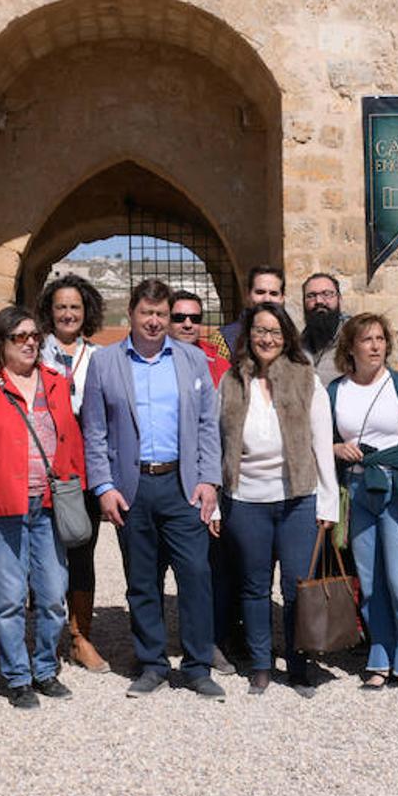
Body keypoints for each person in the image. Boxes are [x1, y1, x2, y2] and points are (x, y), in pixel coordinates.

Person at [81, 278, 225, 700]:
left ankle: (198, 666)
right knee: (141, 580)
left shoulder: (190, 360)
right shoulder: (105, 362)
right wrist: (104, 486)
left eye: (162, 314)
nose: (155, 321)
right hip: (132, 486)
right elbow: (94, 431)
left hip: (183, 485)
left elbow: (206, 424)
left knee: (196, 575)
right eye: (147, 313)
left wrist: (209, 479)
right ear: (130, 314)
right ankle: (152, 663)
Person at [0, 306, 85, 709]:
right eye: (18, 337)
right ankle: (18, 677)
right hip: (0, 507)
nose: (28, 342)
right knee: (8, 600)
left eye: (33, 336)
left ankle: (45, 668)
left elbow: (70, 442)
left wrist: (76, 489)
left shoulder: (57, 384)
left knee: (53, 596)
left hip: (47, 506)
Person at [215, 302, 339, 696]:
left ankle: (300, 665)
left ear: (286, 336)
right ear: (247, 336)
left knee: (295, 586)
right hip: (246, 499)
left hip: (297, 498)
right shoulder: (231, 381)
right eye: (259, 331)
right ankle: (261, 664)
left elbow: (323, 442)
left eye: (274, 332)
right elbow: (219, 444)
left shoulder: (307, 379)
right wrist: (218, 500)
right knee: (253, 587)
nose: (266, 339)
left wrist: (328, 502)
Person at [329, 313, 398, 698]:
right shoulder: (335, 391)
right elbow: (319, 442)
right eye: (367, 339)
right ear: (351, 346)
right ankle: (381, 656)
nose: (375, 346)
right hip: (357, 490)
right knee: (371, 583)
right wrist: (335, 448)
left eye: (380, 339)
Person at [37, 273, 111, 674]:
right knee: (43, 555)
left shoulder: (98, 357)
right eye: (61, 306)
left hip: (80, 471)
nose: (68, 314)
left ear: (87, 313)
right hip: (39, 466)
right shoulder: (33, 351)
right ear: (50, 311)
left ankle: (81, 636)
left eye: (75, 307)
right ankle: (45, 641)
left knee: (81, 552)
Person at [168, 288, 236, 674]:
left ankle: (210, 640)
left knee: (209, 566)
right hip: (166, 476)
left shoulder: (217, 361)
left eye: (195, 317)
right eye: (180, 318)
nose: (188, 324)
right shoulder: (153, 359)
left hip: (210, 477)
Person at [216, 265, 286, 358]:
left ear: (282, 298)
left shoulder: (292, 337)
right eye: (260, 292)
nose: (267, 299)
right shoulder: (224, 339)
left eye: (273, 293)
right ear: (248, 295)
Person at [170, 290, 231, 387]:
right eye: (179, 318)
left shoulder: (219, 365)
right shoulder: (149, 360)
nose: (188, 324)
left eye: (195, 319)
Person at [300, 272, 350, 385]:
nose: (319, 301)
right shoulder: (297, 347)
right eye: (311, 296)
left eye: (327, 294)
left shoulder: (355, 342)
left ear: (339, 299)